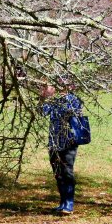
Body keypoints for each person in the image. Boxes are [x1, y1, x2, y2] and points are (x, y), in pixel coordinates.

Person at [42, 82, 85, 215]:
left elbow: (70, 113)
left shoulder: (74, 100)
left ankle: (69, 204)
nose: (60, 85)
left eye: (65, 83)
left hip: (68, 142)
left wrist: (54, 98)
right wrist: (44, 97)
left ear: (72, 86)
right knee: (58, 174)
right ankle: (63, 203)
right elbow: (42, 112)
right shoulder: (55, 100)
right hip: (54, 142)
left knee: (67, 172)